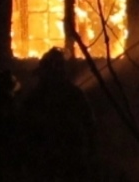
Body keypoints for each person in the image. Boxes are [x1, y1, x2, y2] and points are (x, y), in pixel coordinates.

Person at [18, 48, 97, 182]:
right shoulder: (74, 95)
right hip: (59, 162)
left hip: (56, 162)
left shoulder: (35, 98)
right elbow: (90, 127)